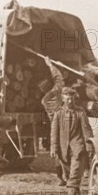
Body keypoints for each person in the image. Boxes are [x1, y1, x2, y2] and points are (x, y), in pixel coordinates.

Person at [50, 87, 94, 195]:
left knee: (75, 172)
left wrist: (89, 146)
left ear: (74, 98)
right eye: (67, 98)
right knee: (68, 175)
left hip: (78, 148)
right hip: (63, 150)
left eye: (71, 98)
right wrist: (54, 147)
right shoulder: (58, 114)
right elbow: (54, 132)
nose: (70, 101)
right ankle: (75, 190)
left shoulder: (80, 112)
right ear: (63, 98)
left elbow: (87, 130)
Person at [40, 56, 66, 185]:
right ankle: (67, 175)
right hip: (62, 125)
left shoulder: (44, 100)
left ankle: (60, 177)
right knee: (65, 150)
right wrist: (50, 65)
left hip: (53, 127)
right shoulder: (56, 92)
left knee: (56, 152)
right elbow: (59, 79)